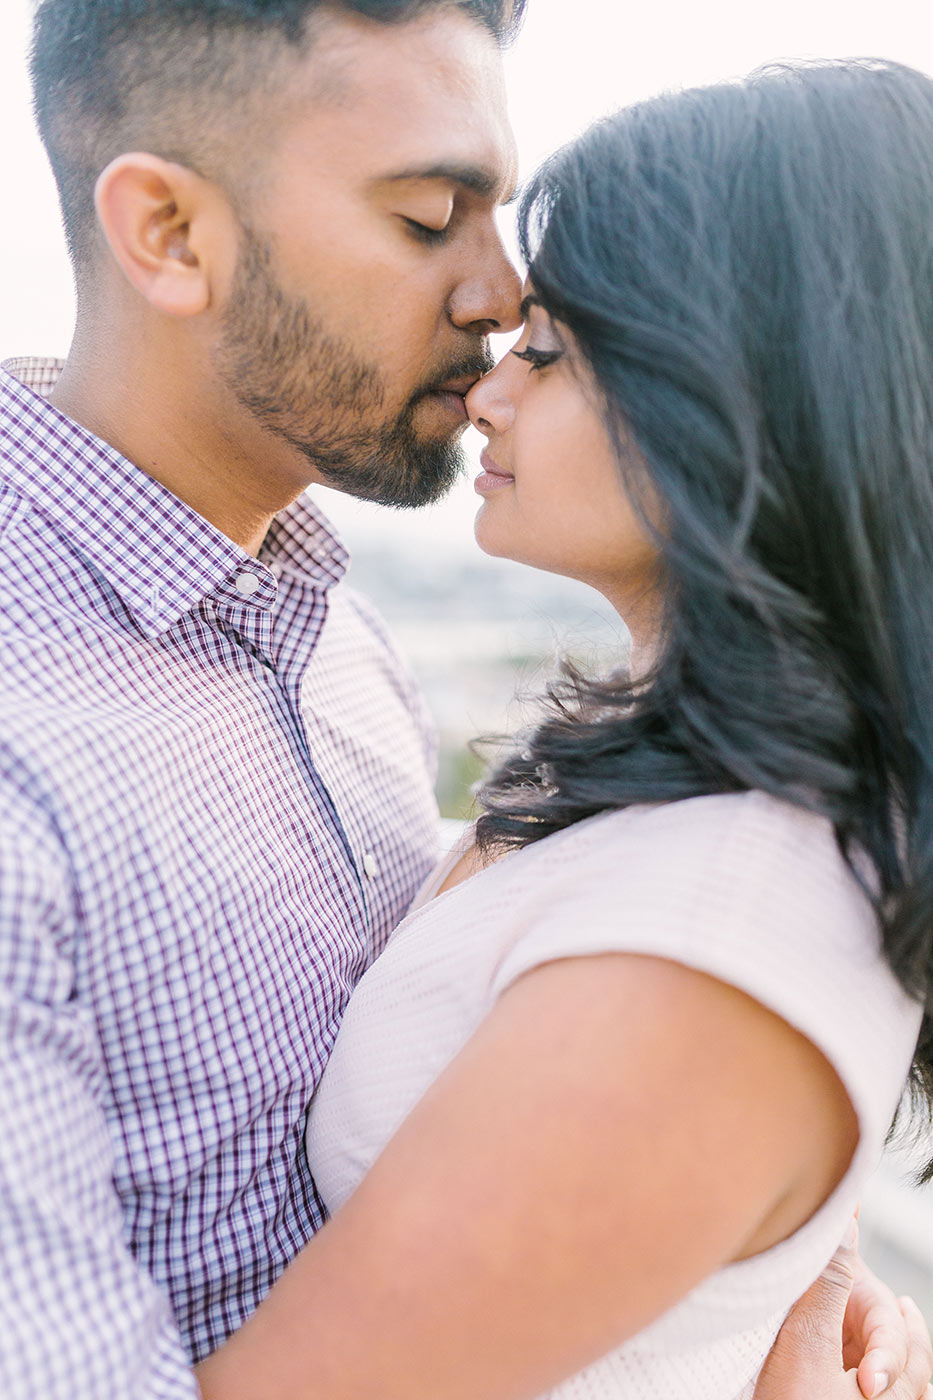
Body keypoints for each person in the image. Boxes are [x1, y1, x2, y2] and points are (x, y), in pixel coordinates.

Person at [0, 0, 925, 1393]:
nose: (496, 308)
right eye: (431, 218)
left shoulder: (338, 651)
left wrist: (761, 1244)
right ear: (171, 236)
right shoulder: (33, 746)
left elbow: (610, 1051)